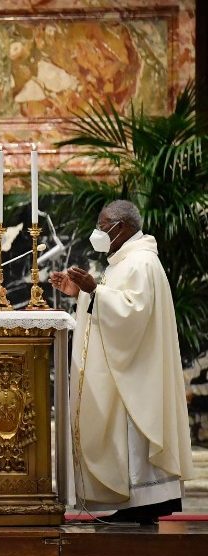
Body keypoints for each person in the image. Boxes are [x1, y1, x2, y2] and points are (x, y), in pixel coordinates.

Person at [50, 200, 194, 524]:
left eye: (103, 227)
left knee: (135, 439)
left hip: (136, 374)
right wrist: (82, 292)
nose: (98, 233)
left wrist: (94, 291)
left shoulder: (141, 263)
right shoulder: (123, 261)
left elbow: (132, 313)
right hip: (126, 369)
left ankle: (145, 503)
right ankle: (135, 505)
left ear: (123, 227)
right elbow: (114, 302)